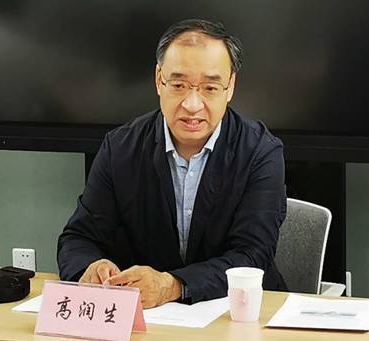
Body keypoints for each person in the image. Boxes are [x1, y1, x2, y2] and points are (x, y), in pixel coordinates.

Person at [57, 19, 287, 308]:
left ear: (230, 88)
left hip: (236, 312)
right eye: (178, 85)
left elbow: (252, 256)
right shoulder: (120, 147)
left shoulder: (260, 151)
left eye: (210, 88)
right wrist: (91, 266)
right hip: (145, 320)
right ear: (158, 80)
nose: (192, 104)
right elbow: (78, 238)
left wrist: (174, 285)